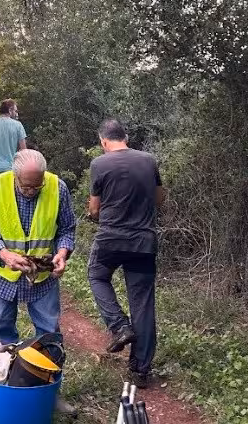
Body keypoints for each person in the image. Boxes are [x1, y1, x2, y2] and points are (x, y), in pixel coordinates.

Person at [0, 149, 76, 414]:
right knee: (1, 330)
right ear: (15, 175)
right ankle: (5, 387)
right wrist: (4, 254)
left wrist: (62, 253)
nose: (31, 191)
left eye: (37, 185)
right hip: (3, 275)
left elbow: (67, 229)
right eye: (26, 186)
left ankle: (47, 394)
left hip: (43, 277)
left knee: (49, 335)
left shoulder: (58, 187)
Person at [86, 119, 166, 388]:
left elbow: (95, 209)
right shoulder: (149, 160)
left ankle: (120, 326)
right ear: (126, 137)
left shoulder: (99, 164)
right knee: (142, 303)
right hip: (144, 241)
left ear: (103, 141)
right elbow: (159, 198)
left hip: (110, 240)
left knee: (96, 275)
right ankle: (140, 370)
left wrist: (95, 213)